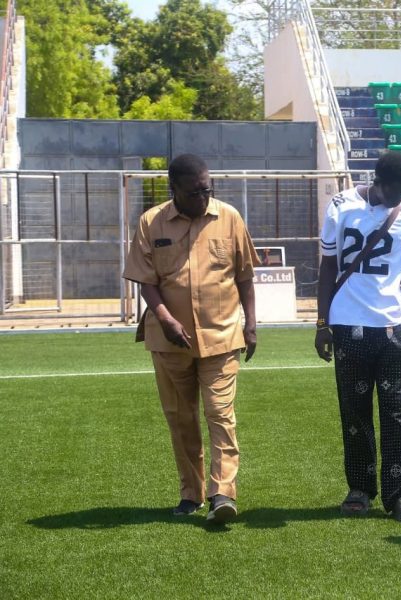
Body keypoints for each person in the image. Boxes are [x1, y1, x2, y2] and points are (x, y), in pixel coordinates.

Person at [123, 153, 259, 523]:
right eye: (196, 191)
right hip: (169, 341)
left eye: (208, 189)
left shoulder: (229, 216)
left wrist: (251, 324)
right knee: (181, 419)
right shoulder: (151, 222)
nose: (205, 196)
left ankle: (222, 494)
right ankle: (191, 493)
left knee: (220, 416)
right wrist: (165, 318)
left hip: (223, 335)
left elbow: (245, 275)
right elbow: (146, 280)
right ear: (176, 190)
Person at [315, 151, 401, 524]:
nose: (400, 197)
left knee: (396, 412)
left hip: (393, 327)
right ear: (377, 181)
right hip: (348, 324)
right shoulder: (340, 206)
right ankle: (359, 488)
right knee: (354, 413)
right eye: (395, 190)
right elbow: (327, 266)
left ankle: (400, 491)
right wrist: (322, 323)